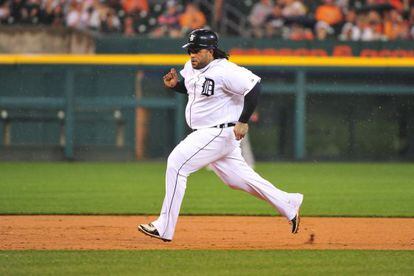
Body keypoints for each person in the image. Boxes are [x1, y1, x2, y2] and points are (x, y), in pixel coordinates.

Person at [138, 29, 303, 242]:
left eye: (197, 50)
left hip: (219, 131)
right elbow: (197, 91)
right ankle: (288, 203)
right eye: (190, 50)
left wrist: (243, 121)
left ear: (210, 50)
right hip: (212, 134)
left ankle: (164, 227)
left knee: (177, 164)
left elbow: (254, 87)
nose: (192, 54)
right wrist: (176, 86)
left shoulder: (225, 70)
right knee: (237, 179)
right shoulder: (191, 67)